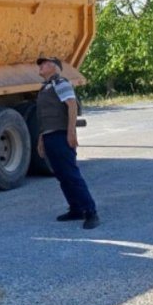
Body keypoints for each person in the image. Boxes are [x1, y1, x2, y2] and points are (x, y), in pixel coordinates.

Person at [36, 57, 100, 230]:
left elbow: (72, 105)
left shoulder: (61, 83)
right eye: (41, 64)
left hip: (61, 136)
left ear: (55, 68)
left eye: (45, 64)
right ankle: (76, 209)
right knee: (62, 176)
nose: (40, 66)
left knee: (71, 174)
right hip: (50, 136)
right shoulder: (45, 87)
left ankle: (91, 212)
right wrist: (41, 138)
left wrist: (71, 132)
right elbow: (44, 117)